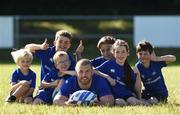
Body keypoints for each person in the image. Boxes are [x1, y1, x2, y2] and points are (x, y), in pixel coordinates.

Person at [96, 39, 146, 106]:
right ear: (113, 53)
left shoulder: (129, 69)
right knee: (120, 103)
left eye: (123, 52)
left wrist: (138, 75)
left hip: (128, 95)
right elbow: (94, 70)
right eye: (117, 52)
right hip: (116, 97)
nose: (120, 55)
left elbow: (137, 89)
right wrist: (107, 77)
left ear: (127, 53)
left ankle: (149, 104)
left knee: (134, 102)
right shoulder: (108, 64)